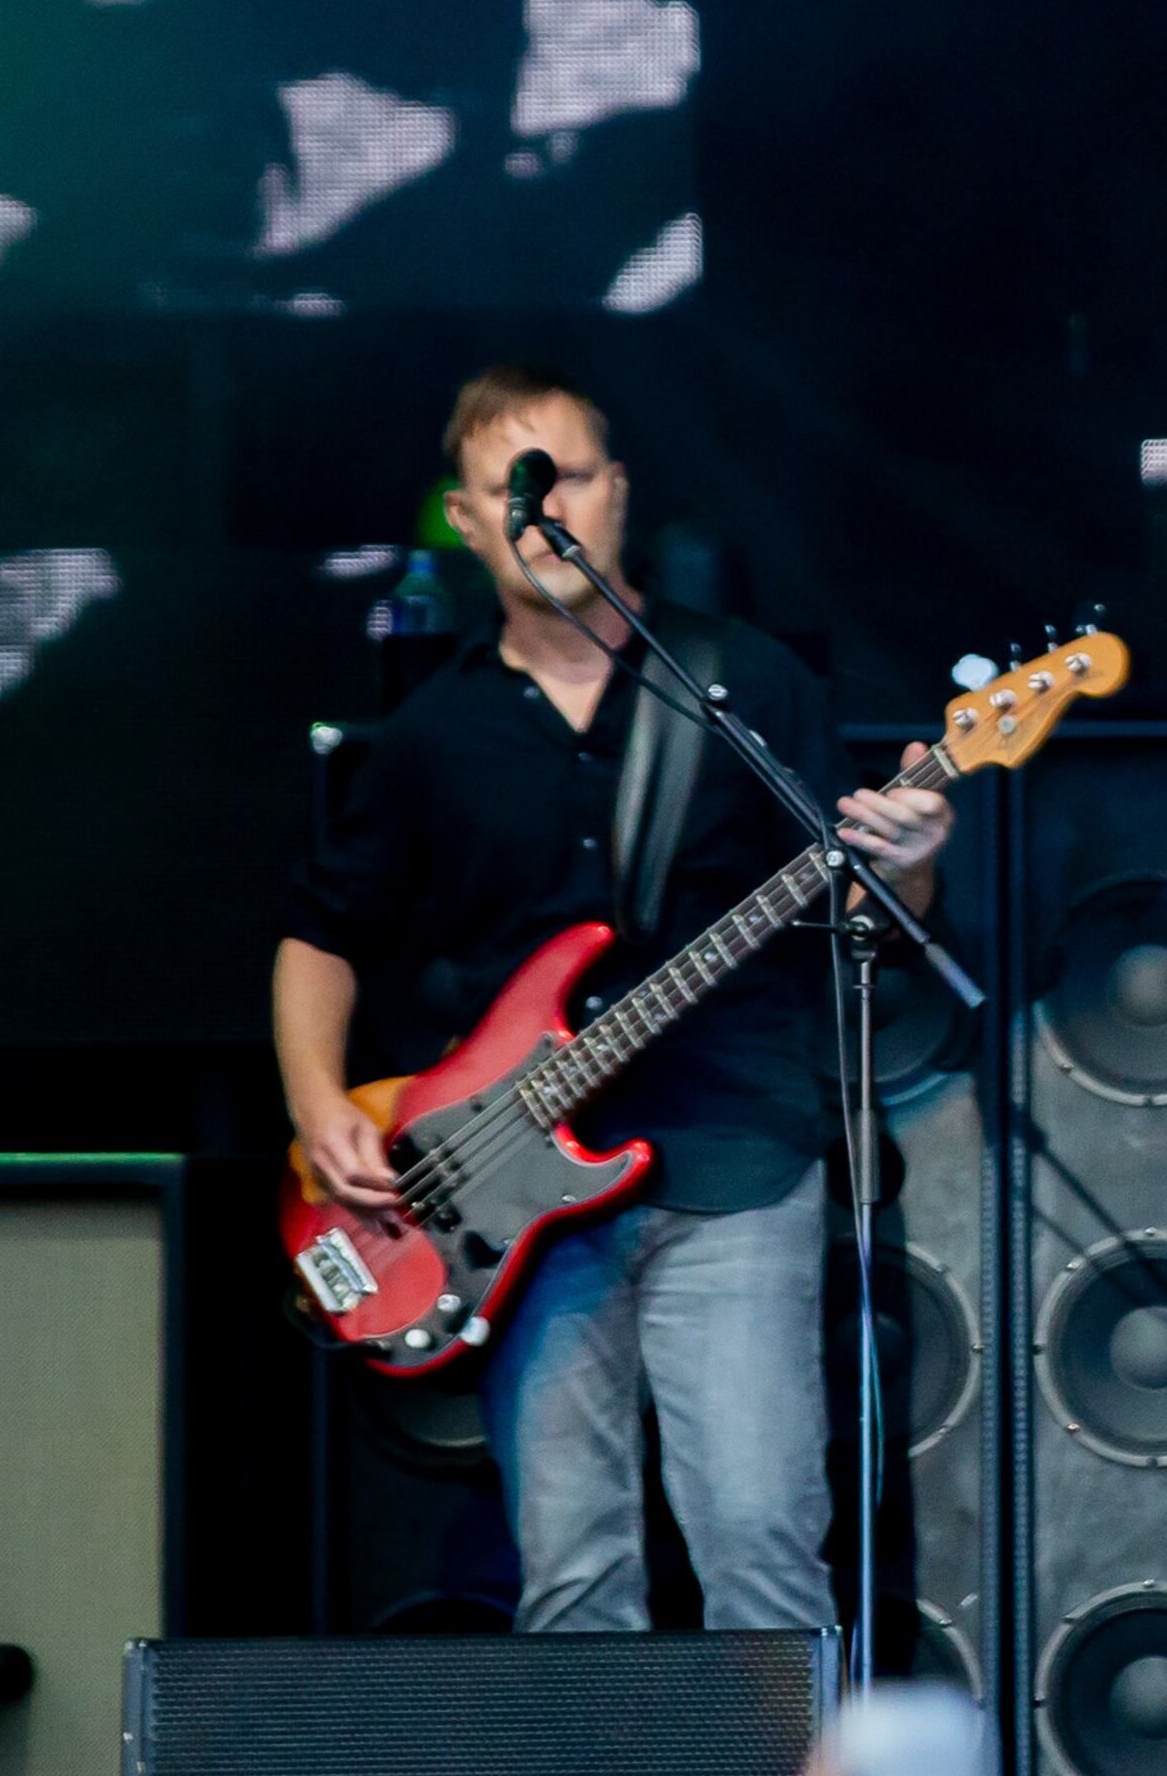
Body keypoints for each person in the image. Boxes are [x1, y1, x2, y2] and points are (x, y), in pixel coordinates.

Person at [274, 365, 949, 1633]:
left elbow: (862, 920)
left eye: (567, 476)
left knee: (759, 1541)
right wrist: (321, 1104)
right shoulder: (432, 735)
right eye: (509, 488)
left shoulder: (744, 688)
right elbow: (320, 936)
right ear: (465, 521)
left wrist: (905, 864)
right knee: (573, 1566)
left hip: (736, 1163)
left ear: (620, 492)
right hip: (508, 1197)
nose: (544, 510)